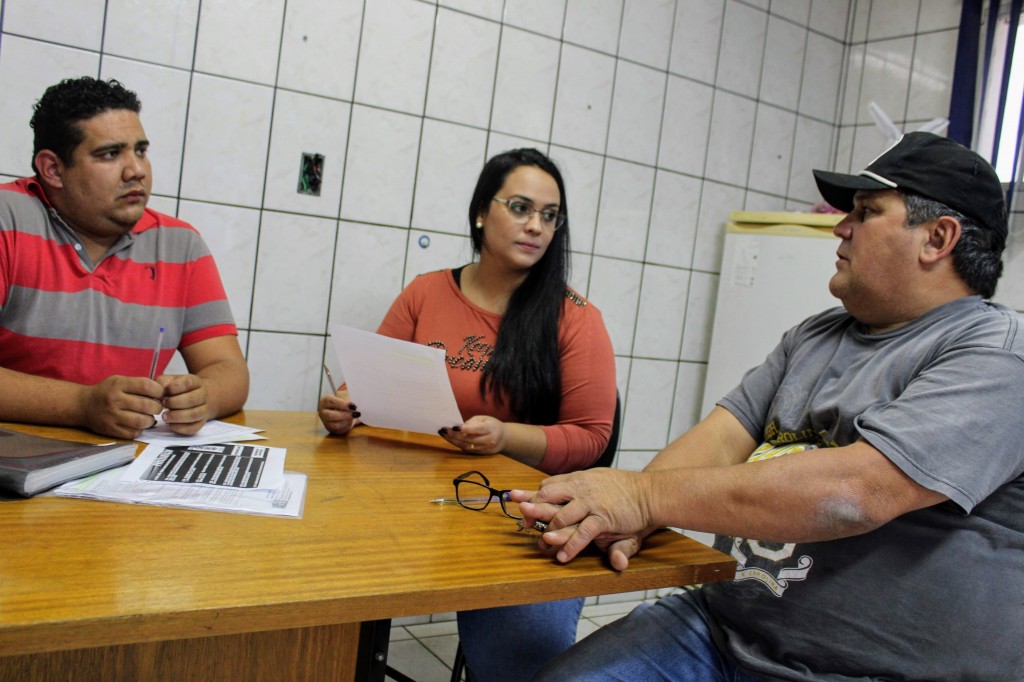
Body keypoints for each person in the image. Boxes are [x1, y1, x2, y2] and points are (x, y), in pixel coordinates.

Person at [513, 132, 1024, 682]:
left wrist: (642, 495)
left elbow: (857, 493)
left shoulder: (998, 357)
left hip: (874, 671)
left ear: (937, 238)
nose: (840, 228)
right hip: (721, 629)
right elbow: (722, 437)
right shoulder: (815, 335)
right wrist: (632, 518)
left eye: (867, 212)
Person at [319, 148, 617, 681]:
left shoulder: (575, 318)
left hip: (520, 513)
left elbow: (592, 437)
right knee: (320, 591)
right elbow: (368, 381)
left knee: (521, 657)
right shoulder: (426, 291)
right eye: (521, 207)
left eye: (550, 216)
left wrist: (505, 437)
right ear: (482, 211)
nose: (536, 226)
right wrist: (345, 408)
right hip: (412, 500)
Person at [0, 77, 248, 441]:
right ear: (52, 169)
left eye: (141, 150)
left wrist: (203, 397)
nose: (137, 171)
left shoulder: (181, 244)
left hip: (124, 469)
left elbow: (227, 369)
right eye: (110, 154)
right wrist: (81, 405)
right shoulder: (7, 219)